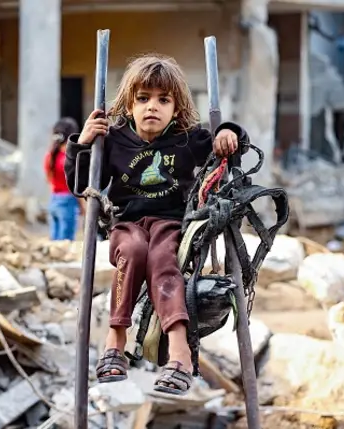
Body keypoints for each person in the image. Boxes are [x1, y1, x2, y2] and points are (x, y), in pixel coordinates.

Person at [64, 54, 245, 394]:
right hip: (127, 224)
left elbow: (227, 147)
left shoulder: (187, 139)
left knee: (164, 261)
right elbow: (81, 184)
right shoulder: (113, 139)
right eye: (143, 98)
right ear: (129, 104)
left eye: (164, 100)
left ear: (176, 109)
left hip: (171, 223)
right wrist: (83, 143)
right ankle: (114, 343)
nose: (152, 107)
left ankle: (180, 355)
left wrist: (228, 133)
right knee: (132, 250)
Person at [44, 117, 83, 241]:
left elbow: (49, 180)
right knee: (65, 243)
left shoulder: (49, 156)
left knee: (55, 243)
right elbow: (74, 185)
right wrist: (83, 206)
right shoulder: (69, 160)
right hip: (68, 202)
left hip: (53, 200)